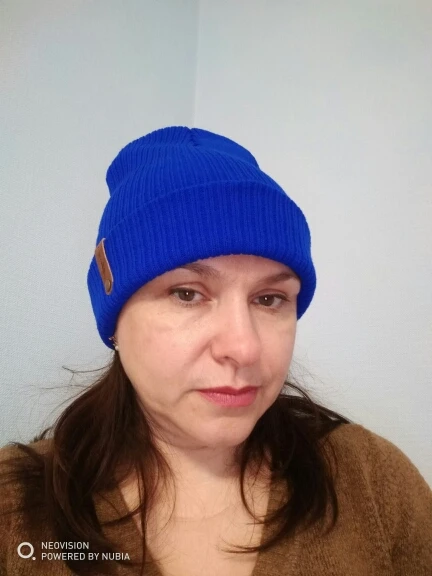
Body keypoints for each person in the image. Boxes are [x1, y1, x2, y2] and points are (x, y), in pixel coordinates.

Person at [0, 126, 431, 576]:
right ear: (114, 321)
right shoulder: (15, 512)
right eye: (187, 294)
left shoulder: (373, 481)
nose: (243, 348)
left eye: (269, 299)